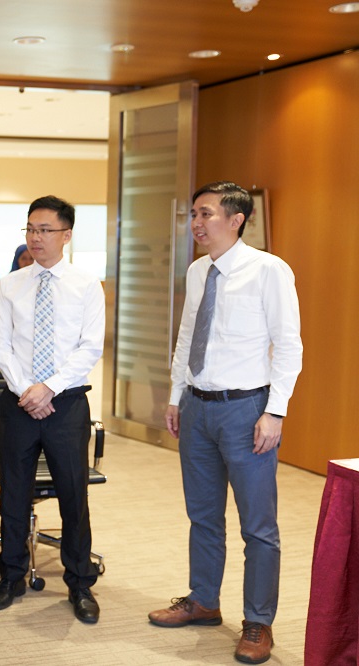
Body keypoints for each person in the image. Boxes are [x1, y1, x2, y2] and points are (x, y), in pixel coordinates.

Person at [149, 181, 302, 665]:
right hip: (197, 407)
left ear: (236, 220)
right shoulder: (199, 271)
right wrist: (176, 396)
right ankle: (203, 601)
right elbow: (187, 336)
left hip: (246, 410)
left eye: (206, 214)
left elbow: (289, 346)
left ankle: (258, 621)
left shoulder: (269, 270)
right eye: (194, 214)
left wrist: (275, 412)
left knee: (258, 526)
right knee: (203, 516)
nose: (196, 223)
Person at [0, 195, 105, 624]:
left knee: (74, 495)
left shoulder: (86, 285)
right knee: (13, 493)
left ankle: (80, 583)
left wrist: (48, 388)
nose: (35, 238)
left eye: (45, 230)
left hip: (67, 404)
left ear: (66, 235)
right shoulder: (11, 284)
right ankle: (11, 576)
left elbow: (90, 346)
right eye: (30, 229)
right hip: (19, 404)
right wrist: (27, 391)